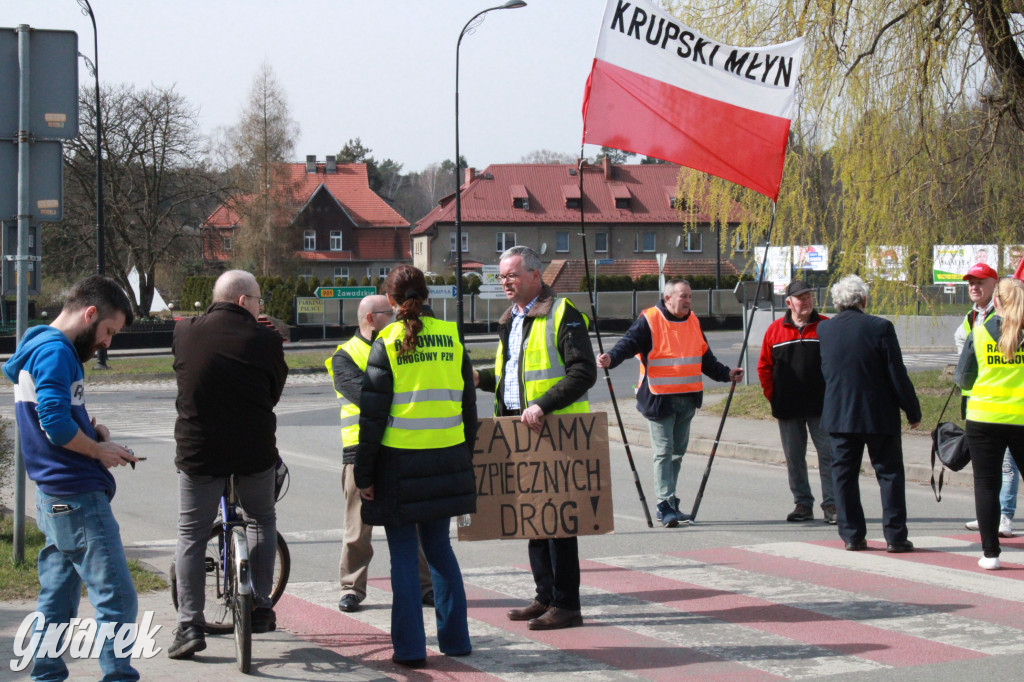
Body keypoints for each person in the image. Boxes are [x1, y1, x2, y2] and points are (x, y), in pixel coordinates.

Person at [1, 275, 139, 681]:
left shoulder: (38, 344)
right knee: (118, 599)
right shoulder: (57, 352)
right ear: (90, 314)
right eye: (108, 331)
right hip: (77, 495)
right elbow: (55, 426)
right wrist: (97, 450)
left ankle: (46, 676)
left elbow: (56, 415)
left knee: (58, 600)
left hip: (54, 494)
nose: (106, 343)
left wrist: (90, 430)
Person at [355, 265, 477, 667]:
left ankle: (409, 650)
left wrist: (364, 475)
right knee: (440, 549)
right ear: (426, 296)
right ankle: (456, 641)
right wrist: (464, 456)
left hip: (399, 463)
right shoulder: (452, 337)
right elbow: (469, 406)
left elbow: (372, 419)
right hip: (446, 456)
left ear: (390, 301)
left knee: (405, 556)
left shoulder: (386, 342)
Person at [169, 270, 288, 660]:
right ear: (243, 301)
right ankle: (261, 606)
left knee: (191, 533)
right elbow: (273, 392)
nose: (260, 308)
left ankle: (189, 625)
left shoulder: (184, 331)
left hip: (199, 451)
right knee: (261, 519)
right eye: (258, 301)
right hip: (253, 451)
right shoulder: (267, 339)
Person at [476, 245, 596, 629]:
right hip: (518, 431)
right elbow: (512, 379)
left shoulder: (562, 313)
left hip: (555, 432)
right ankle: (545, 596)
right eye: (501, 276)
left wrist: (543, 405)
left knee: (559, 522)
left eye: (512, 275)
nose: (505, 282)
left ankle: (567, 604)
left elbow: (583, 372)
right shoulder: (511, 319)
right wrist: (481, 379)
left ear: (535, 275)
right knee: (534, 519)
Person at [597, 278, 743, 527]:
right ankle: (664, 504)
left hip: (688, 397)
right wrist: (611, 358)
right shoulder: (650, 319)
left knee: (677, 453)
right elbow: (628, 344)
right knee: (664, 451)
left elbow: (705, 359)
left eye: (690, 296)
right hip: (659, 398)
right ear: (668, 298)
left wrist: (727, 374)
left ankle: (670, 501)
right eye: (683, 296)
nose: (688, 301)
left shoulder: (693, 320)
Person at [327, 294, 434, 613]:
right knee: (358, 527)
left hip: (400, 446)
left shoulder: (397, 345)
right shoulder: (344, 356)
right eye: (390, 312)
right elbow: (368, 397)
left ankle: (425, 586)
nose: (397, 316)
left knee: (413, 523)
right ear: (371, 319)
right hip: (358, 452)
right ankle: (351, 587)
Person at [817, 275, 921, 553]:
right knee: (889, 475)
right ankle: (895, 537)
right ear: (864, 300)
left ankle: (852, 535)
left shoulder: (825, 330)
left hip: (839, 415)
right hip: (878, 414)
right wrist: (912, 410)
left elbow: (826, 371)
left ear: (837, 302)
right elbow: (896, 373)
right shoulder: (880, 327)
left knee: (843, 477)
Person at [958, 277, 1024, 569]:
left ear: (995, 301)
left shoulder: (980, 331)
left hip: (984, 417)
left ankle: (990, 555)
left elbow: (964, 378)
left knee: (986, 485)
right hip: (1021, 417)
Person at [757, 280, 836, 524]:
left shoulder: (826, 326)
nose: (807, 301)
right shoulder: (775, 330)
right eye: (801, 298)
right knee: (794, 457)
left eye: (809, 296)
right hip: (788, 407)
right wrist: (774, 396)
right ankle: (802, 503)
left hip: (822, 406)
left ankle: (832, 504)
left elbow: (838, 364)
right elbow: (764, 367)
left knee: (829, 455)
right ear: (789, 302)